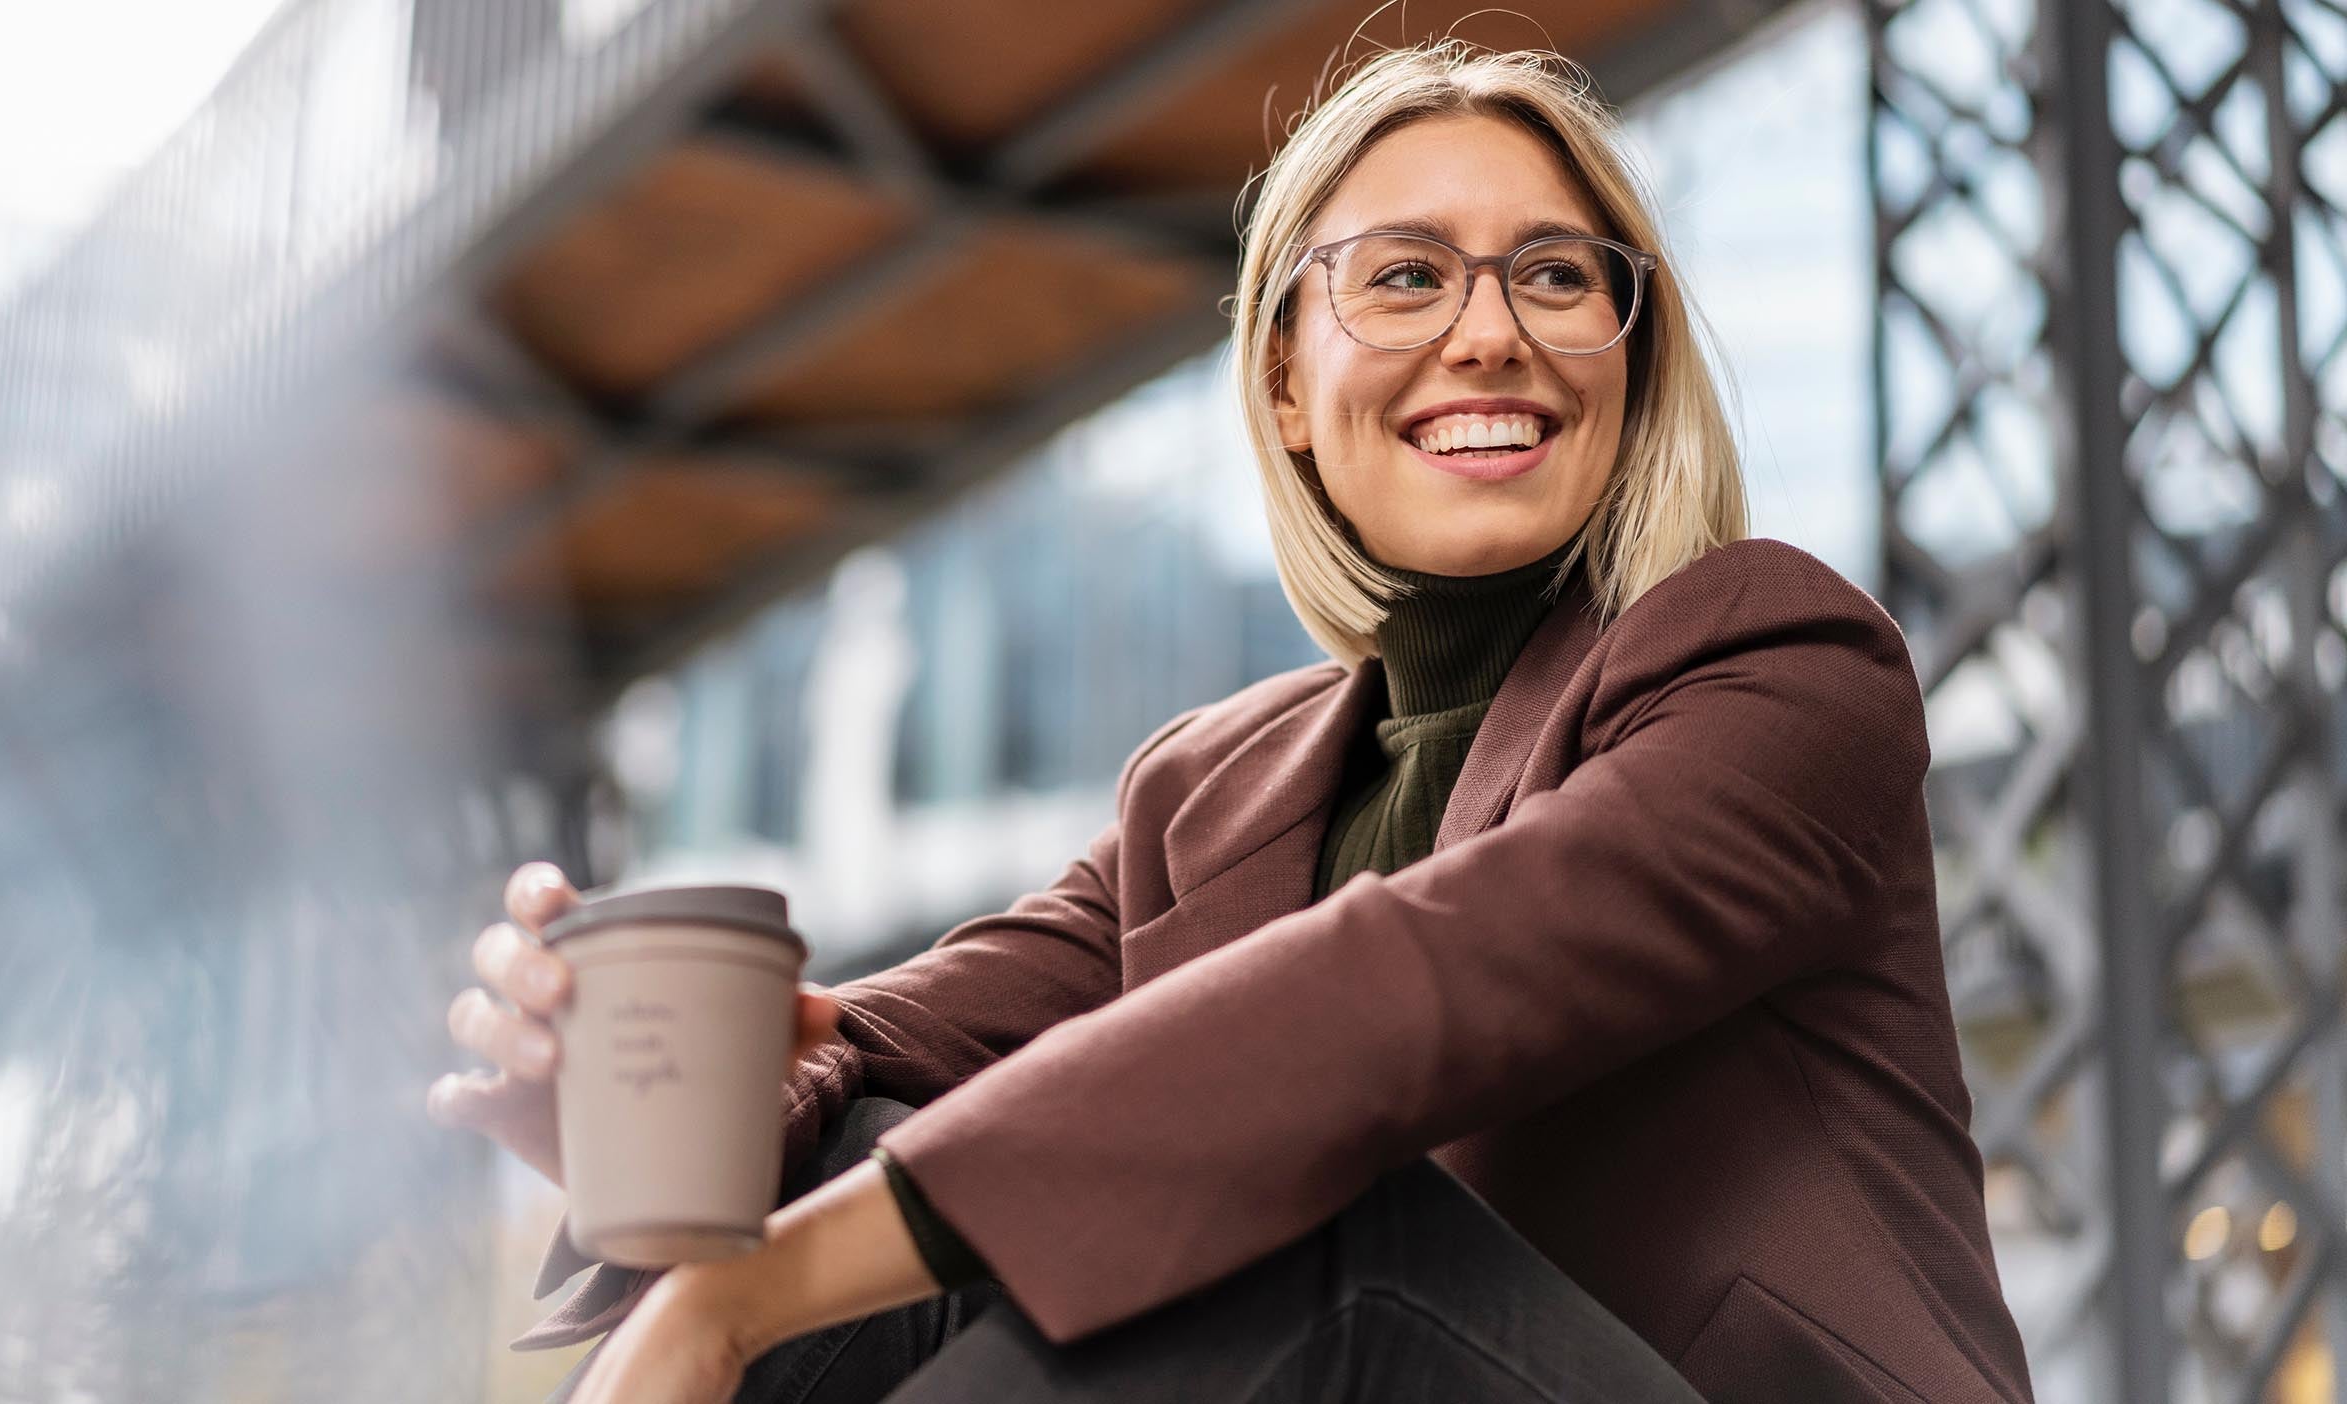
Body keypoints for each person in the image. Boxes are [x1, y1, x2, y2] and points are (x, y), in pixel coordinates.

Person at [428, 39, 2037, 1404]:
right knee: (881, 1146)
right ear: (1282, 384)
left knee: (1295, 1221)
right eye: (1405, 276)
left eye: (1557, 274)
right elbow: (878, 1052)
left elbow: (1400, 994)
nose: (1492, 332)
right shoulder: (1202, 796)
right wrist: (642, 1098)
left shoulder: (1779, 664)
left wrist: (740, 1295)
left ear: (1631, 354)